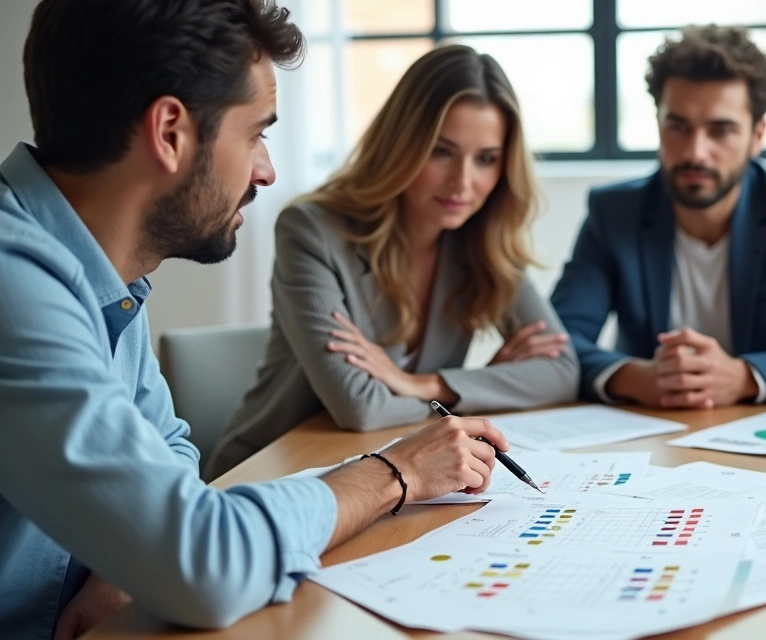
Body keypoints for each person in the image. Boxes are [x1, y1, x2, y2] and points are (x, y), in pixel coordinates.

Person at [0, 2, 508, 637]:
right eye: (255, 133)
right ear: (170, 133)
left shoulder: (106, 276)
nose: (267, 169)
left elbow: (173, 452)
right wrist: (394, 474)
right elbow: (202, 563)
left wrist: (130, 561)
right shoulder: (14, 282)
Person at [206, 45, 578, 479]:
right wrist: (479, 387)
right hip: (276, 473)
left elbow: (562, 371)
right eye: (441, 151)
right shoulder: (310, 230)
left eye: (486, 160)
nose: (463, 182)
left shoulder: (481, 240)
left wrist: (433, 385)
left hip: (398, 474)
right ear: (403, 144)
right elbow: (359, 408)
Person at [549, 25, 766, 410]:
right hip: (647, 435)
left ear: (757, 136)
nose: (696, 152)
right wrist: (636, 377)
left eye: (720, 130)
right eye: (678, 127)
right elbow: (556, 343)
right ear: (659, 125)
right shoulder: (614, 212)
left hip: (764, 437)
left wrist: (744, 377)